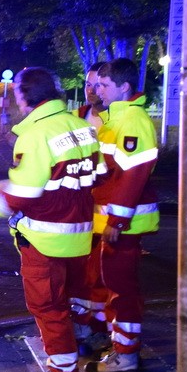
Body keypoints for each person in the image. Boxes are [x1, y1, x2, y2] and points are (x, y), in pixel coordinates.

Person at [0, 67, 103, 372]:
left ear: (23, 95)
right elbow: (98, 173)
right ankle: (76, 354)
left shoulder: (34, 135)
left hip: (44, 240)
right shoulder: (81, 127)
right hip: (79, 236)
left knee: (49, 310)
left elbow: (21, 195)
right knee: (71, 304)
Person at [83, 58, 159, 372]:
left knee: (121, 287)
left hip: (123, 224)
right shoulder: (117, 119)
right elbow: (110, 171)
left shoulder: (133, 120)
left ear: (123, 87)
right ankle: (122, 347)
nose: (97, 90)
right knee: (114, 284)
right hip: (115, 221)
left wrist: (117, 220)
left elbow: (134, 175)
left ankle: (126, 353)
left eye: (104, 84)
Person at [70, 60, 113, 355]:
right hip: (78, 211)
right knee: (78, 275)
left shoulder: (116, 121)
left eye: (97, 84)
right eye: (87, 84)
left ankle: (101, 329)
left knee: (101, 278)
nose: (91, 90)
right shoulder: (77, 117)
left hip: (106, 213)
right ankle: (82, 324)